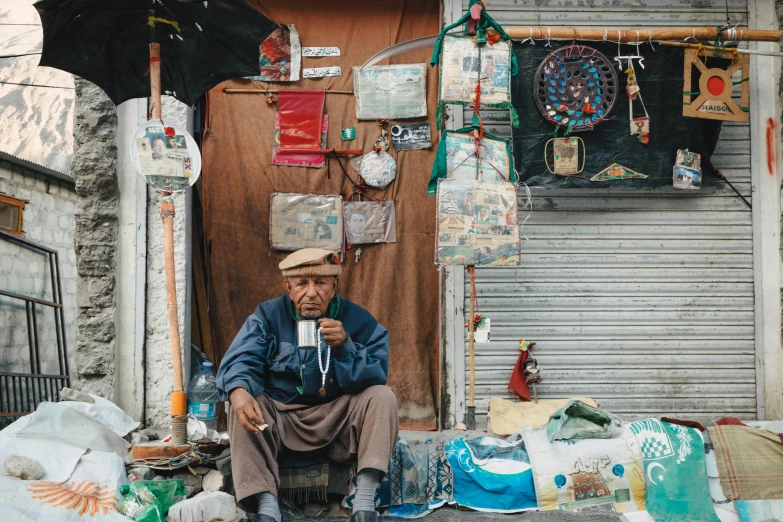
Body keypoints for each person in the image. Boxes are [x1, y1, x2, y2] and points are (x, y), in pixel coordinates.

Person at [217, 248, 398, 522]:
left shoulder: (358, 320)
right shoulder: (267, 316)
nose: (312, 293)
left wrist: (345, 346)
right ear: (288, 288)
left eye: (321, 283)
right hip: (281, 420)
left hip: (338, 421)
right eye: (302, 284)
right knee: (241, 400)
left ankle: (364, 501)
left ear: (334, 286)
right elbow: (244, 359)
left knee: (382, 397)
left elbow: (376, 373)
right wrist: (239, 391)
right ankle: (267, 506)